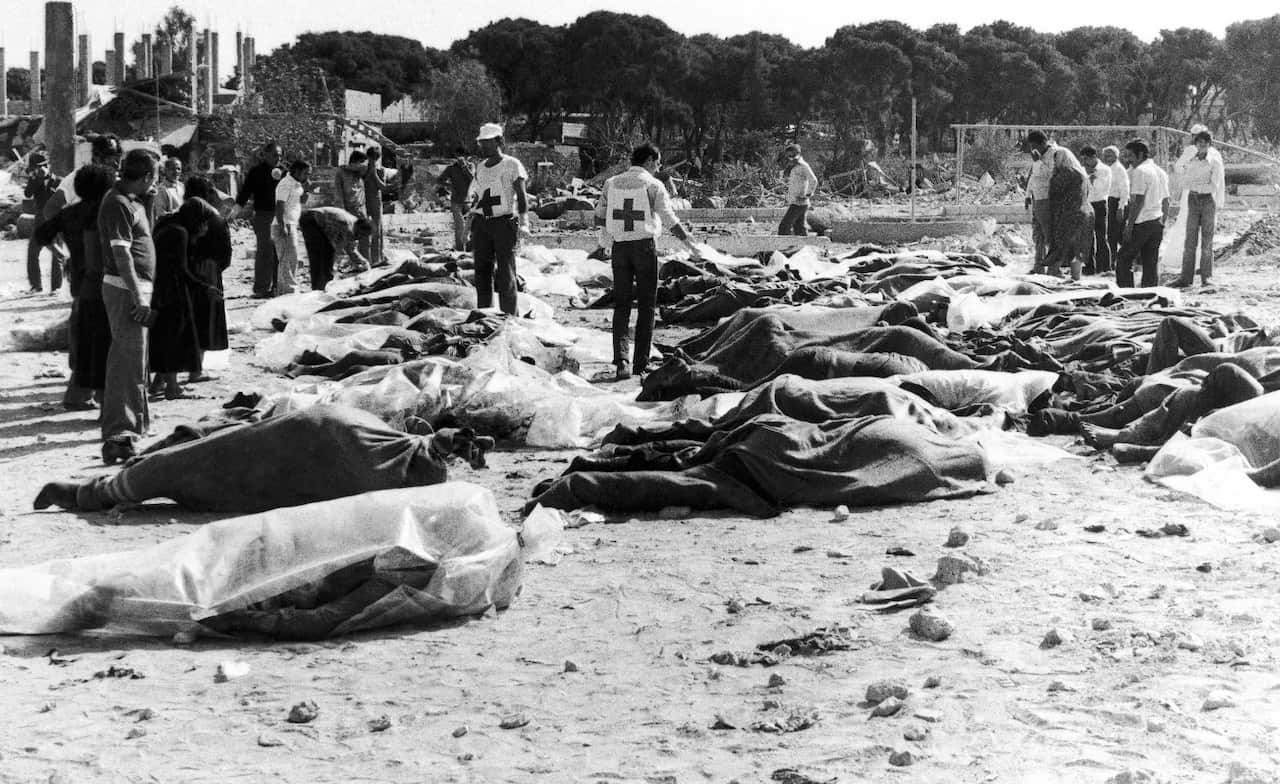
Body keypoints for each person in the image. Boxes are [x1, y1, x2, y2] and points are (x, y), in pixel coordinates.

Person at [594, 143, 702, 381]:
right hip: (644, 248)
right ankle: (640, 363)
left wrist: (607, 241)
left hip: (620, 249)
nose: (659, 168)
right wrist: (691, 245)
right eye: (658, 163)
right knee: (646, 305)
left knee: (621, 305)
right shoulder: (653, 185)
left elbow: (599, 217)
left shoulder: (611, 183)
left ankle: (621, 361)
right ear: (650, 160)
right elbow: (670, 219)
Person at [34, 164, 117, 410]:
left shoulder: (70, 213)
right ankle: (95, 395)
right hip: (102, 281)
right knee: (102, 340)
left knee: (83, 338)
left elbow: (41, 235)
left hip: (79, 282)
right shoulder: (104, 212)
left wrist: (60, 254)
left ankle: (79, 394)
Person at [97, 149, 159, 464]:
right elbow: (121, 255)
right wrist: (138, 296)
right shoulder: (117, 203)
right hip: (126, 291)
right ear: (147, 176)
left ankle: (136, 423)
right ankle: (120, 432)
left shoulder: (131, 201)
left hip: (135, 289)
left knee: (137, 361)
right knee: (126, 361)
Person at [149, 198, 222, 399]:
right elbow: (181, 270)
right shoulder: (179, 233)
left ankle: (158, 383)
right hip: (172, 291)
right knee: (175, 337)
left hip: (159, 289)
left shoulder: (168, 225)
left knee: (165, 335)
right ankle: (172, 388)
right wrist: (205, 287)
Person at [467, 123, 531, 315]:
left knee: (506, 272)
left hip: (503, 223)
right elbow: (477, 197)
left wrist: (524, 222)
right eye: (482, 142)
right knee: (482, 272)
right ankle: (485, 315)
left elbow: (521, 195)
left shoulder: (512, 164)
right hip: (482, 224)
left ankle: (510, 316)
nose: (484, 146)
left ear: (499, 141)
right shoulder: (480, 167)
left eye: (488, 142)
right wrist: (469, 225)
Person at [181, 176, 231, 382]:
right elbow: (226, 256)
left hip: (183, 272)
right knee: (205, 320)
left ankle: (169, 374)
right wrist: (214, 268)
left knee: (185, 319)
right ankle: (196, 370)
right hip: (209, 273)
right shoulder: (217, 221)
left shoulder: (179, 218)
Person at [1116, 139, 1170, 288]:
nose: (1128, 160)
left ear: (1140, 155)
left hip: (1142, 222)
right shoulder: (1158, 171)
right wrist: (1162, 223)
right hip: (1156, 221)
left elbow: (1138, 201)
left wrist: (1129, 226)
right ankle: (1150, 293)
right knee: (1150, 262)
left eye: (1130, 156)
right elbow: (1166, 200)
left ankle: (1126, 293)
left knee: (1123, 258)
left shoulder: (1140, 171)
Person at [1176, 129, 1225, 288]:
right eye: (1199, 142)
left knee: (1207, 241)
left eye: (1205, 142)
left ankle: (1206, 277)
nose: (1201, 145)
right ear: (1195, 144)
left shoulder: (1214, 162)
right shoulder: (1191, 160)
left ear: (1209, 144)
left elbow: (1214, 186)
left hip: (1207, 201)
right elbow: (1184, 181)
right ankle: (1186, 278)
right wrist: (1195, 185)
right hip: (1192, 199)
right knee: (1190, 240)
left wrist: (1197, 186)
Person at [236, 142, 284, 298]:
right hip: (263, 216)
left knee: (280, 252)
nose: (278, 158)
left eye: (280, 155)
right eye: (275, 155)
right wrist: (235, 210)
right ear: (265, 154)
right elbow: (245, 192)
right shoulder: (256, 172)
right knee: (265, 251)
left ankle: (278, 287)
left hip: (281, 216)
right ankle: (261, 288)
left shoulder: (285, 172)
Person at [1045, 147, 1092, 280]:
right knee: (1077, 247)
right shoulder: (1081, 173)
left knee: (1060, 245)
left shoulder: (1064, 173)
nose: (1055, 162)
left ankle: (1053, 273)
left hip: (1067, 214)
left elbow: (1054, 192)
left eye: (1056, 159)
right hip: (1083, 214)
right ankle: (1076, 277)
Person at [299, 206, 372, 290]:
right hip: (311, 219)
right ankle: (319, 287)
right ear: (360, 228)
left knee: (327, 253)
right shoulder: (346, 225)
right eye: (362, 235)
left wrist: (363, 262)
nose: (361, 237)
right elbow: (336, 248)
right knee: (318, 254)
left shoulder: (354, 227)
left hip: (319, 222)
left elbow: (351, 249)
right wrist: (332, 269)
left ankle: (324, 283)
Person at [24, 152, 63, 293]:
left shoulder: (58, 181)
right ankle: (36, 286)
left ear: (46, 166)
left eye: (39, 167)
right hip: (40, 223)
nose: (38, 170)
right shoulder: (35, 180)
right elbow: (27, 194)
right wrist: (34, 179)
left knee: (57, 256)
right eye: (35, 168)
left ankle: (56, 288)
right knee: (32, 253)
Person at [273, 160, 310, 295]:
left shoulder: (296, 184)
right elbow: (279, 205)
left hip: (292, 223)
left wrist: (306, 189)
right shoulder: (285, 183)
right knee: (287, 259)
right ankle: (289, 290)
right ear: (297, 171)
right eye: (305, 173)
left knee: (292, 259)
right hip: (284, 224)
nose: (307, 176)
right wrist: (282, 225)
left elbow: (301, 201)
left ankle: (285, 290)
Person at [1024, 131, 1057, 274]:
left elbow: (1049, 175)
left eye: (1034, 146)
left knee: (1050, 235)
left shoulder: (1054, 154)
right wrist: (1027, 194)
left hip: (1047, 199)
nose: (1033, 149)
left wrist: (1038, 162)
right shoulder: (1038, 155)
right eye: (1031, 146)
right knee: (1038, 235)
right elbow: (1034, 176)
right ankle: (1039, 266)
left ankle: (1054, 268)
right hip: (1037, 198)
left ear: (1043, 143)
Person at [1079, 146, 1111, 275]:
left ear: (1093, 157)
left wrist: (1091, 177)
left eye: (1086, 159)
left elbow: (1101, 189)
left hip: (1099, 204)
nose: (1084, 162)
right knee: (1087, 237)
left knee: (1101, 236)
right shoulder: (1083, 170)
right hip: (1087, 204)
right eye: (1082, 159)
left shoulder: (1104, 170)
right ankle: (1089, 266)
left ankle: (1105, 267)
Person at [777, 143, 818, 236]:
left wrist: (808, 194)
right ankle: (806, 244)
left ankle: (782, 244)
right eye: (788, 156)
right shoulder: (793, 166)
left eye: (792, 155)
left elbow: (814, 180)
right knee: (799, 228)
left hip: (799, 202)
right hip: (796, 201)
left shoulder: (804, 166)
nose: (790, 158)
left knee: (784, 226)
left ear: (797, 153)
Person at [439, 148, 473, 251]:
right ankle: (460, 249)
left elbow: (473, 180)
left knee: (471, 226)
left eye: (463, 157)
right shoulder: (451, 168)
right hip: (456, 201)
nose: (460, 159)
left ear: (467, 158)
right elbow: (440, 180)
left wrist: (464, 167)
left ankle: (469, 249)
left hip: (468, 201)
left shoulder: (471, 166)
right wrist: (449, 186)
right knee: (460, 226)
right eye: (458, 157)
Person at [1100, 145, 1129, 266]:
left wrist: (1121, 207)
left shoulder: (1119, 170)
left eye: (1109, 155)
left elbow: (1125, 190)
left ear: (1116, 156)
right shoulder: (1105, 169)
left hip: (1116, 203)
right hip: (1107, 202)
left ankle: (1120, 261)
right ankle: (1111, 261)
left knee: (1116, 234)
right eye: (1105, 155)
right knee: (1110, 234)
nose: (1106, 158)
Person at [362, 146, 387, 266]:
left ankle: (377, 259)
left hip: (376, 201)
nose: (372, 161)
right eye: (370, 158)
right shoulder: (363, 169)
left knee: (377, 230)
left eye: (374, 159)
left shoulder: (381, 170)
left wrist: (375, 174)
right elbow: (361, 183)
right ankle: (365, 259)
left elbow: (383, 187)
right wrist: (369, 173)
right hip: (364, 200)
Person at [334, 150, 368, 221]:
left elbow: (364, 168)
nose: (363, 164)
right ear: (354, 162)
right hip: (347, 209)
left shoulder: (359, 172)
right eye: (361, 161)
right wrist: (341, 210)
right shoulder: (341, 173)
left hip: (360, 210)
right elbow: (338, 193)